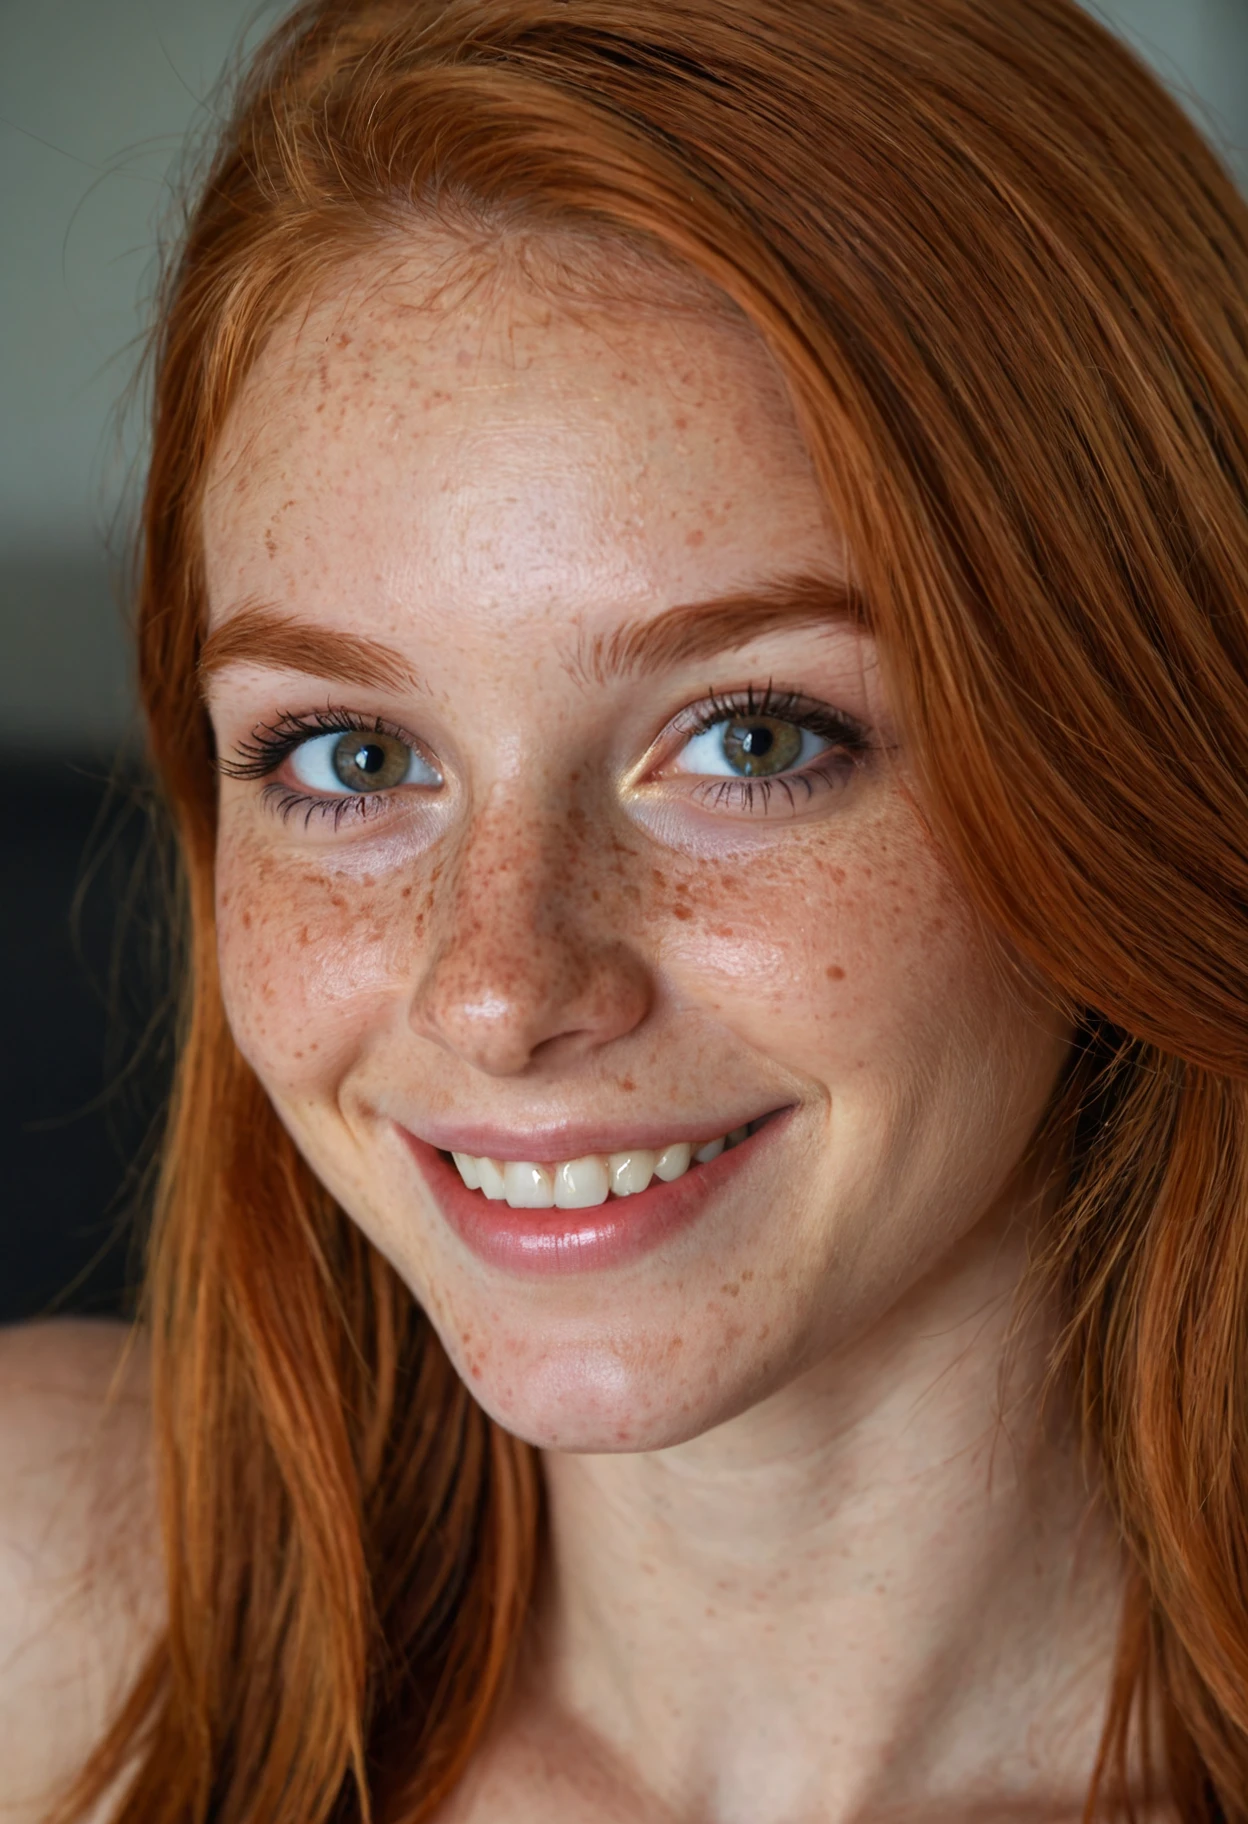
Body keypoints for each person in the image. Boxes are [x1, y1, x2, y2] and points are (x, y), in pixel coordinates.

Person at [4, 0, 1248, 1817]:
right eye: (352, 757)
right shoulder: (53, 1628)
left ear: (1143, 745)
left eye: (754, 738)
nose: (500, 988)